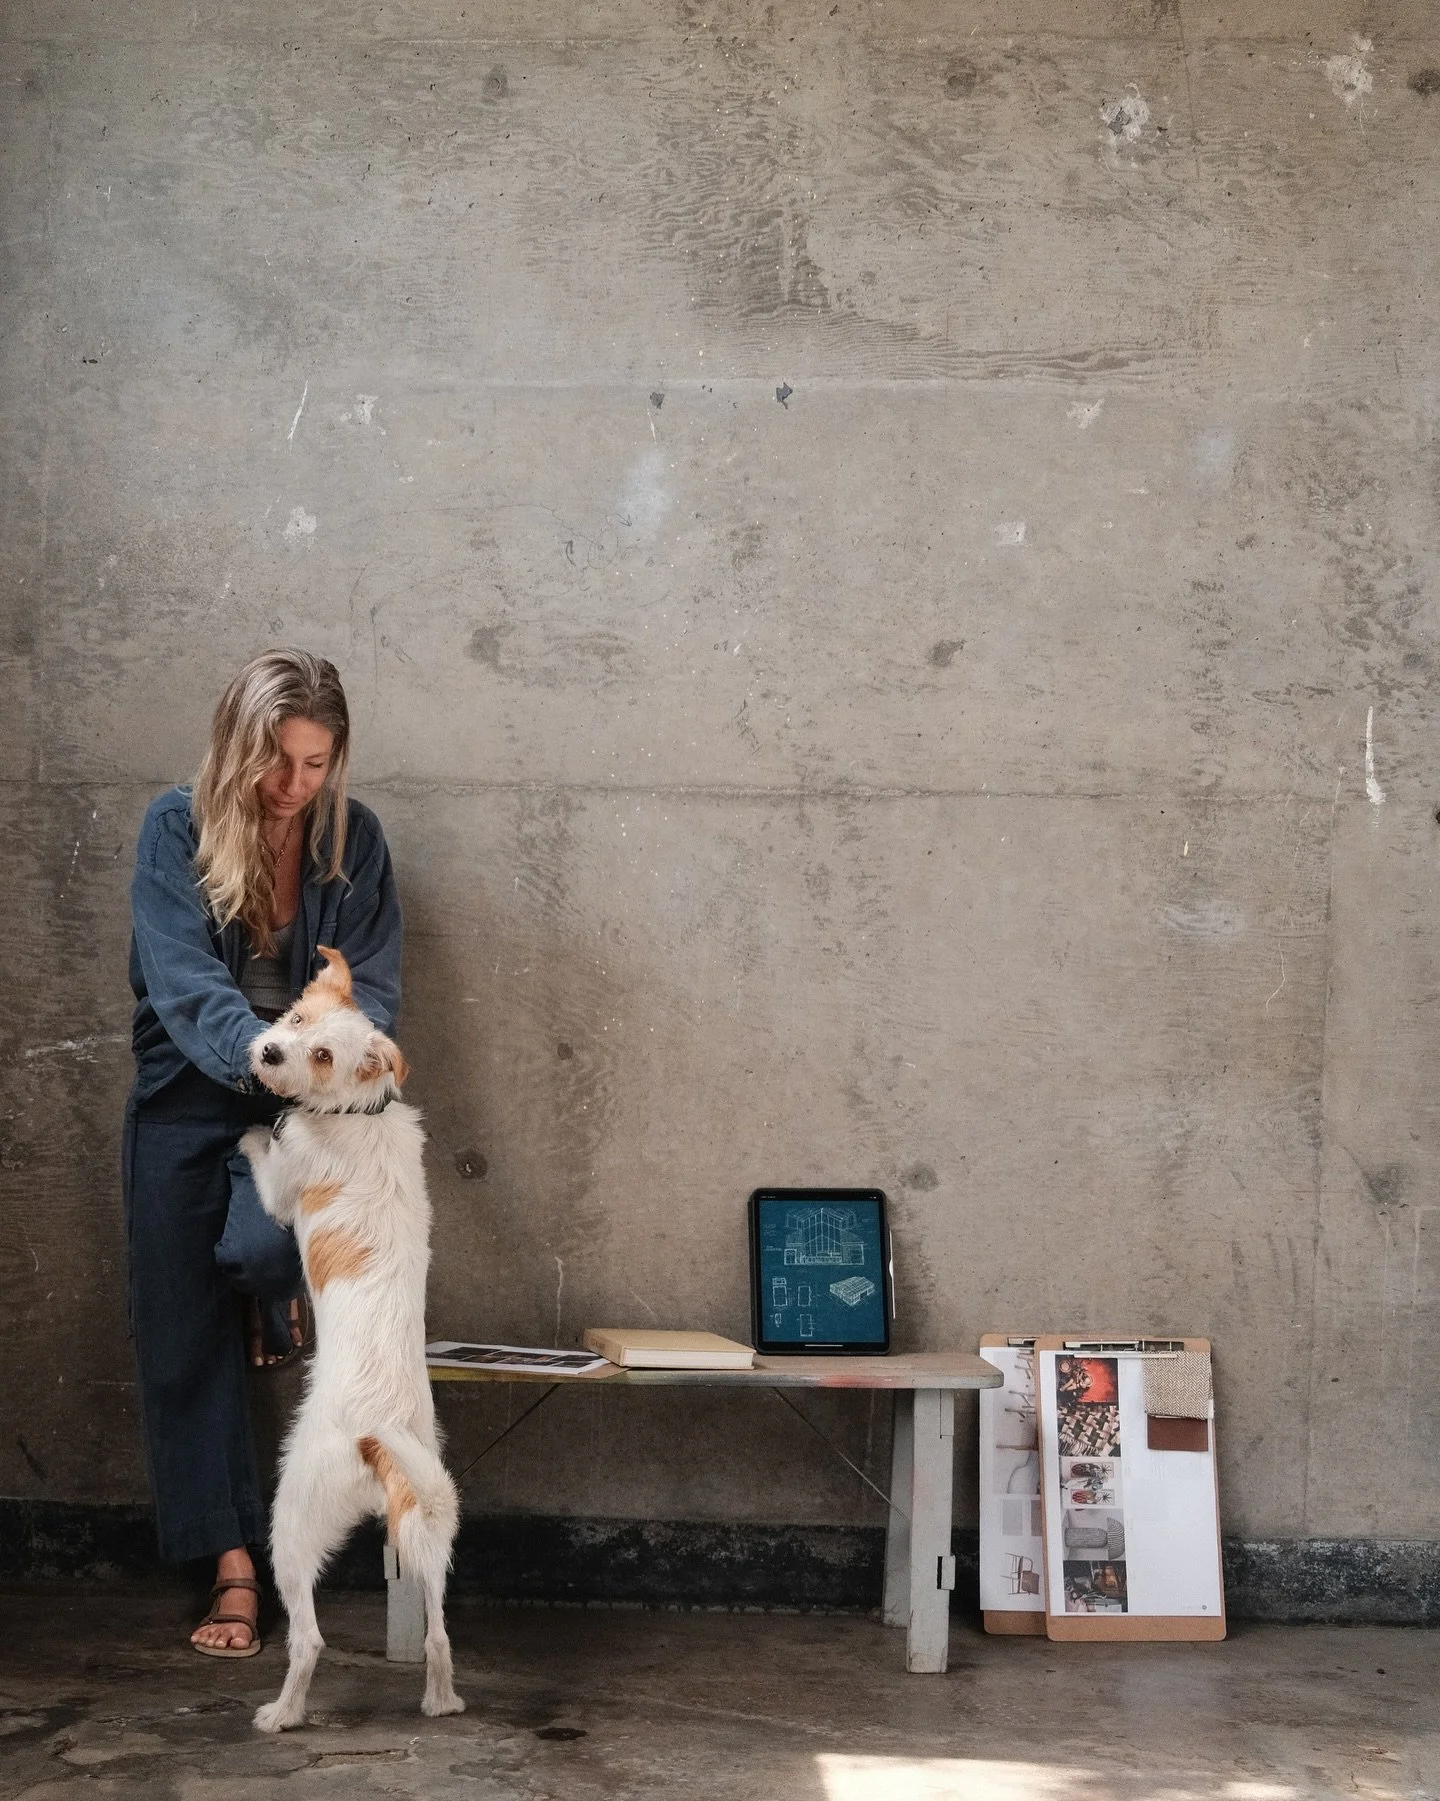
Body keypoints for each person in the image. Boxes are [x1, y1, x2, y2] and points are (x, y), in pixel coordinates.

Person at [124, 649, 402, 1656]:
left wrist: (316, 1068)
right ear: (237, 747)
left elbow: (372, 988)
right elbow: (182, 982)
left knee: (256, 1251)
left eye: (316, 764)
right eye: (277, 762)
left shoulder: (352, 840)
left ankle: (267, 1287)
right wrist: (265, 1054)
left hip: (312, 1102)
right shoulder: (175, 825)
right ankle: (232, 1568)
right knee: (178, 1335)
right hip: (188, 1088)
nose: (293, 787)